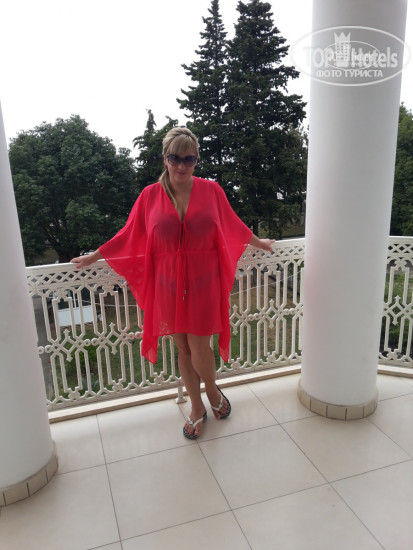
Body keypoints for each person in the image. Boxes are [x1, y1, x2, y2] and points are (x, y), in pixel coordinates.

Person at [71, 127, 274, 439]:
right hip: (167, 284)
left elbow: (232, 223)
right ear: (165, 158)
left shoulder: (211, 191)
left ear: (196, 160)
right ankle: (197, 406)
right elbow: (129, 233)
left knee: (200, 347)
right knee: (183, 349)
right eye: (175, 158)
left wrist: (258, 242)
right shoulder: (149, 196)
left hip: (204, 282)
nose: (181, 165)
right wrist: (94, 256)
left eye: (189, 159)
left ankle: (212, 392)